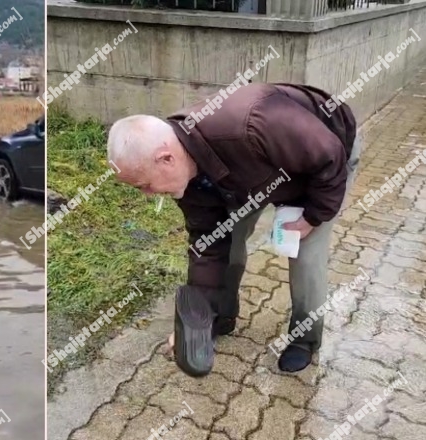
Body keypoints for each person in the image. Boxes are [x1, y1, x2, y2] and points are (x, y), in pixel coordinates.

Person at [106, 83, 360, 375]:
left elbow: (327, 155)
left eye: (144, 185)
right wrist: (194, 326)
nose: (148, 195)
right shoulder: (186, 181)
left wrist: (314, 216)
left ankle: (304, 339)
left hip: (325, 163)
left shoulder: (252, 123)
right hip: (249, 175)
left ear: (166, 159)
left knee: (305, 256)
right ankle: (219, 315)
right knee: (231, 240)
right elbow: (208, 246)